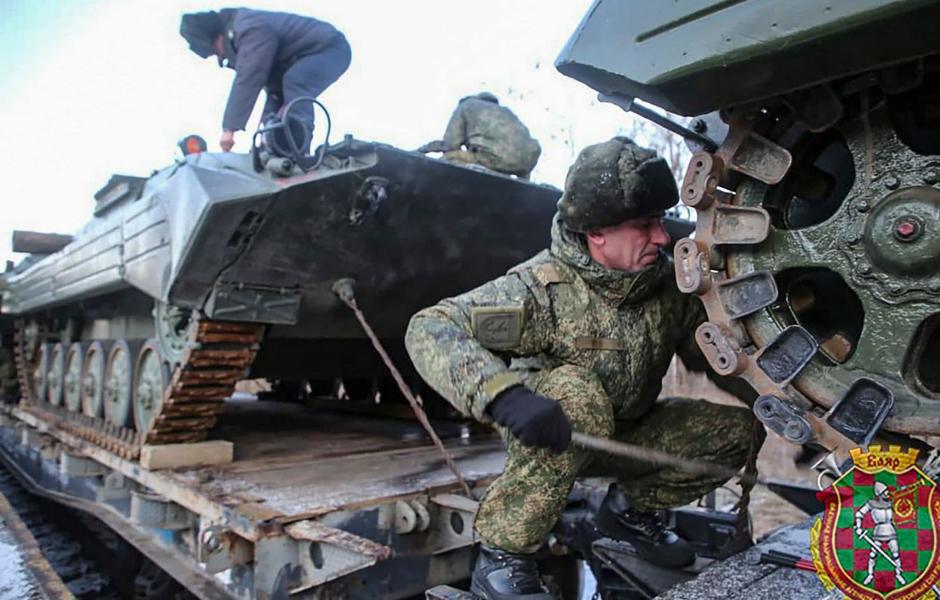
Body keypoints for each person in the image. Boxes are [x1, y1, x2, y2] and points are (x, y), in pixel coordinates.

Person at [405, 137, 758, 599]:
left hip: (625, 437)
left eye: (660, 222)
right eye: (644, 225)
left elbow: (717, 357)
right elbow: (431, 327)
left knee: (737, 430)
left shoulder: (668, 289)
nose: (662, 237)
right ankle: (503, 558)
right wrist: (505, 396)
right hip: (554, 435)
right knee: (576, 394)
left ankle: (629, 513)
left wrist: (783, 408)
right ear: (597, 232)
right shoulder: (542, 288)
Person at [179, 8, 351, 153]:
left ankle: (296, 148)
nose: (220, 56)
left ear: (217, 38)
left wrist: (229, 129)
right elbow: (274, 91)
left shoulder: (248, 29)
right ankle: (275, 148)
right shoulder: (240, 30)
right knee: (274, 108)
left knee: (296, 82)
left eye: (215, 52)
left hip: (328, 48)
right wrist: (265, 136)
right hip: (294, 63)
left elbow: (250, 77)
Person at [418, 93, 541, 179]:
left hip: (493, 157)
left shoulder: (466, 105)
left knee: (449, 159)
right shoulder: (506, 111)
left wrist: (422, 150)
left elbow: (450, 144)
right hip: (525, 164)